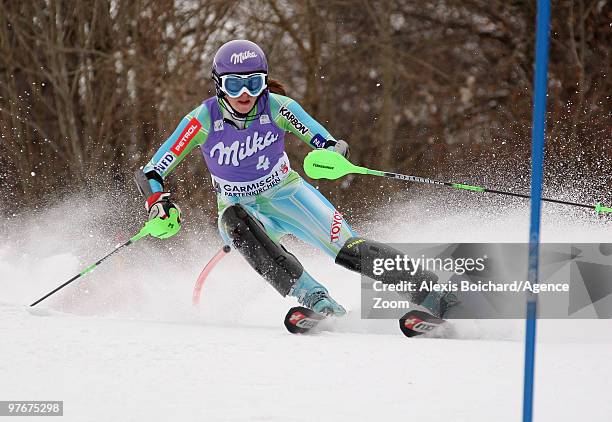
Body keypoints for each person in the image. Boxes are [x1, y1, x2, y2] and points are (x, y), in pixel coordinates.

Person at [135, 39, 454, 317]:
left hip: (288, 195)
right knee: (233, 222)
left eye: (254, 83)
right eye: (234, 85)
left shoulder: (278, 107)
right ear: (219, 85)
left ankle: (435, 296)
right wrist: (157, 202)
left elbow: (327, 142)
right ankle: (317, 301)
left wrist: (333, 155)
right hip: (240, 207)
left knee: (350, 250)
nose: (245, 94)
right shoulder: (201, 119)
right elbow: (151, 171)